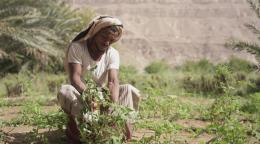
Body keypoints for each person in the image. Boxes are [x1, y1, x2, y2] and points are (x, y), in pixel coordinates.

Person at [57, 15, 140, 143]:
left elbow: (113, 81)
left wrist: (113, 106)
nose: (107, 43)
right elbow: (75, 78)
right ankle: (77, 130)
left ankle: (122, 131)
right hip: (82, 96)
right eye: (104, 37)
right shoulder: (77, 47)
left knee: (129, 90)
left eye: (111, 40)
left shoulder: (112, 53)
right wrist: (92, 97)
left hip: (103, 97)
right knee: (65, 90)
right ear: (94, 33)